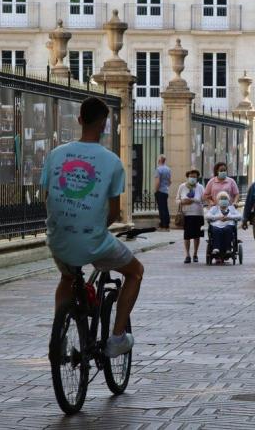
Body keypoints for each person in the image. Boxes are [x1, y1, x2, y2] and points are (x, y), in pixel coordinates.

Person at [41, 97, 145, 358]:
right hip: (94, 241)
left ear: (79, 119)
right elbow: (113, 212)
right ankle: (117, 338)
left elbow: (48, 197)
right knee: (135, 272)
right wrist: (94, 226)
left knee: (67, 277)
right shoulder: (111, 162)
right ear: (104, 124)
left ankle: (59, 337)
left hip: (58, 239)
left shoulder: (55, 155)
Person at [176, 169, 205, 263]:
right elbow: (177, 199)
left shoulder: (200, 187)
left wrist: (194, 200)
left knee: (197, 235)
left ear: (197, 178)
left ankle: (195, 254)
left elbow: (204, 200)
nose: (193, 178)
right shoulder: (182, 187)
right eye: (191, 176)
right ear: (188, 177)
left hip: (197, 214)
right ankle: (187, 255)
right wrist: (182, 201)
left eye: (195, 177)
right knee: (187, 235)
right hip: (186, 214)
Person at [205, 191, 242, 259]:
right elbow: (207, 216)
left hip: (228, 225)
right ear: (218, 200)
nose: (223, 200)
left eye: (225, 198)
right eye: (221, 198)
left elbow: (240, 216)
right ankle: (216, 248)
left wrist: (229, 218)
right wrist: (218, 217)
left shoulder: (231, 208)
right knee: (216, 230)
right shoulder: (215, 208)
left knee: (227, 229)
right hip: (216, 225)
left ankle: (228, 249)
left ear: (228, 200)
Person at [153, 155, 172, 231]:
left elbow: (157, 182)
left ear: (159, 160)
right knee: (165, 208)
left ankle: (163, 226)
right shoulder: (168, 169)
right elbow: (170, 181)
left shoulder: (158, 169)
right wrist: (166, 186)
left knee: (161, 209)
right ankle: (167, 225)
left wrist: (156, 190)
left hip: (160, 191)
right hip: (166, 191)